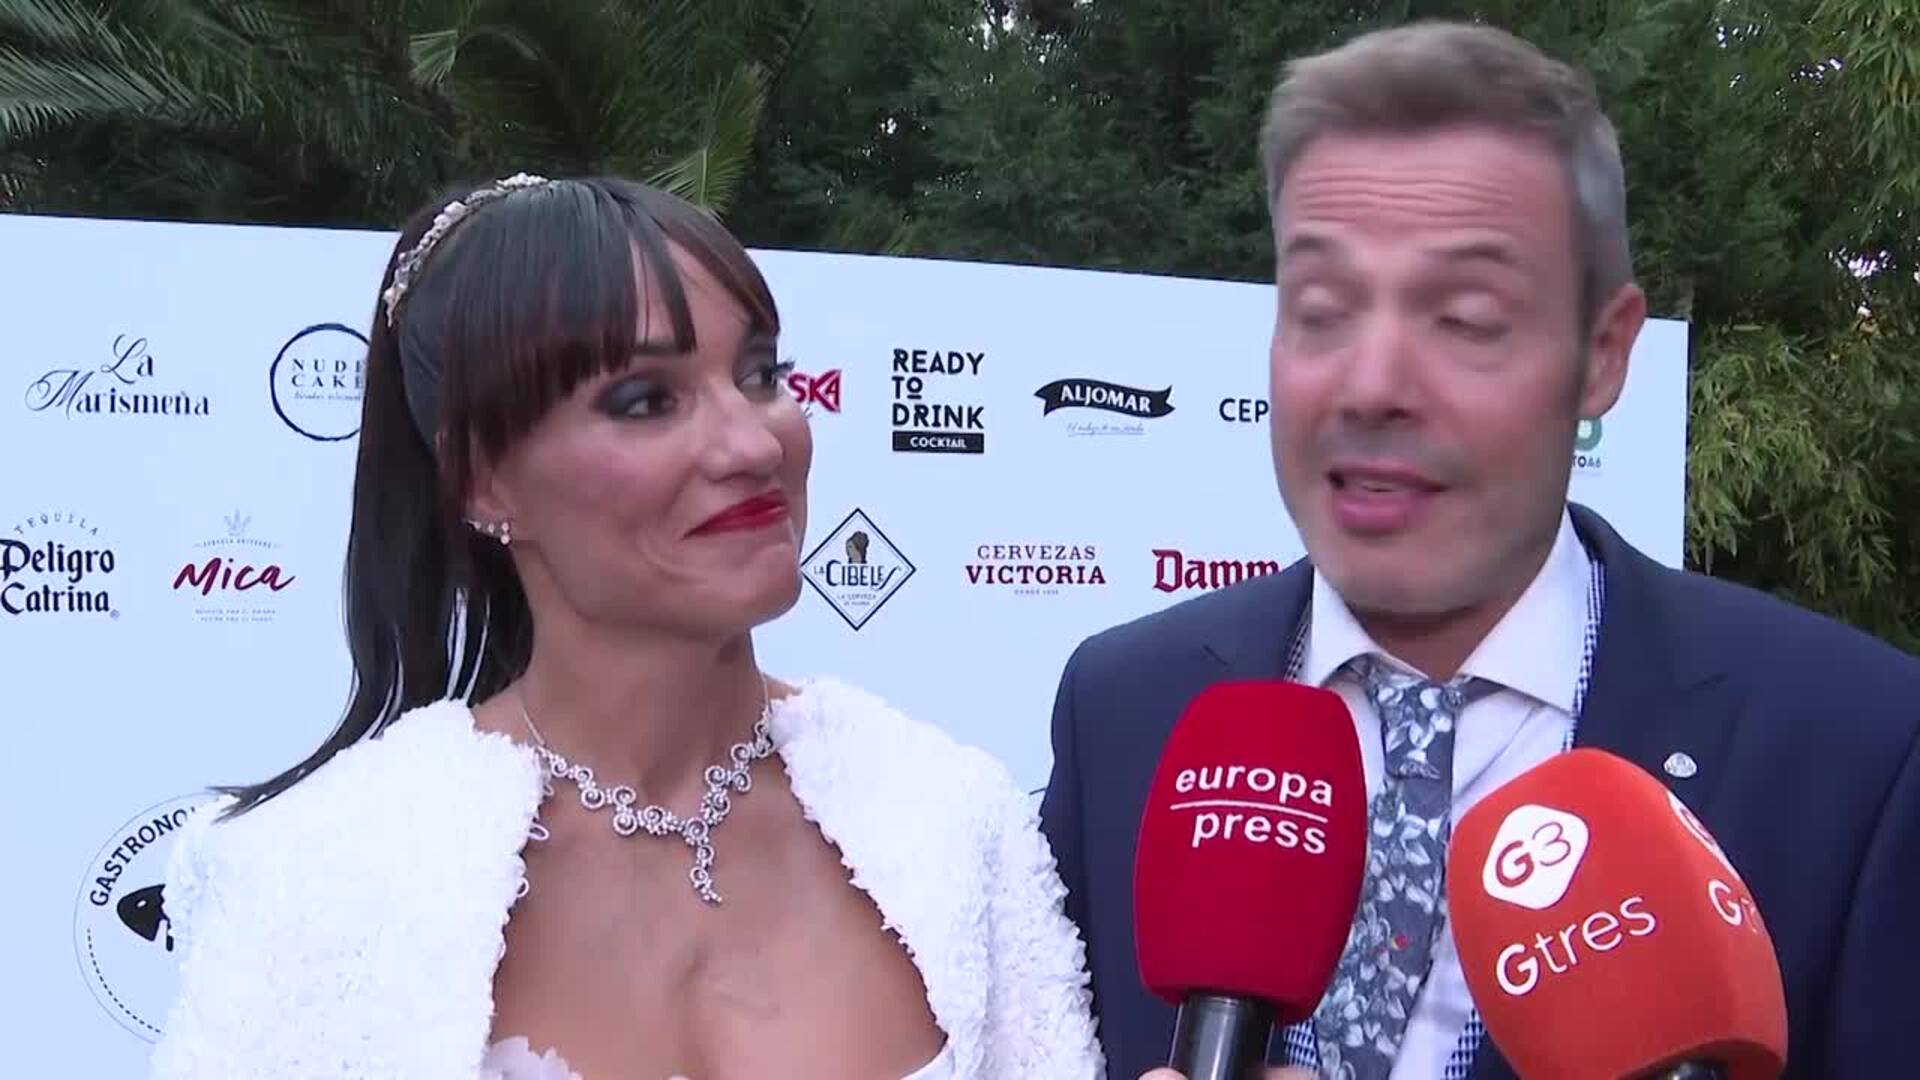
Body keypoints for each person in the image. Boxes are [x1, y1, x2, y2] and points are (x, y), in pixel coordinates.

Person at [1042, 19, 1920, 1080]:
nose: (1372, 385)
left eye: (1464, 318)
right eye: (1321, 310)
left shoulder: (1856, 750)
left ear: (1602, 355)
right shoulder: (1124, 706)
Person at [147, 175, 1105, 1080]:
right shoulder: (317, 873)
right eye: (646, 402)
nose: (752, 443)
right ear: (484, 479)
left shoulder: (951, 820)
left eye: (760, 374)